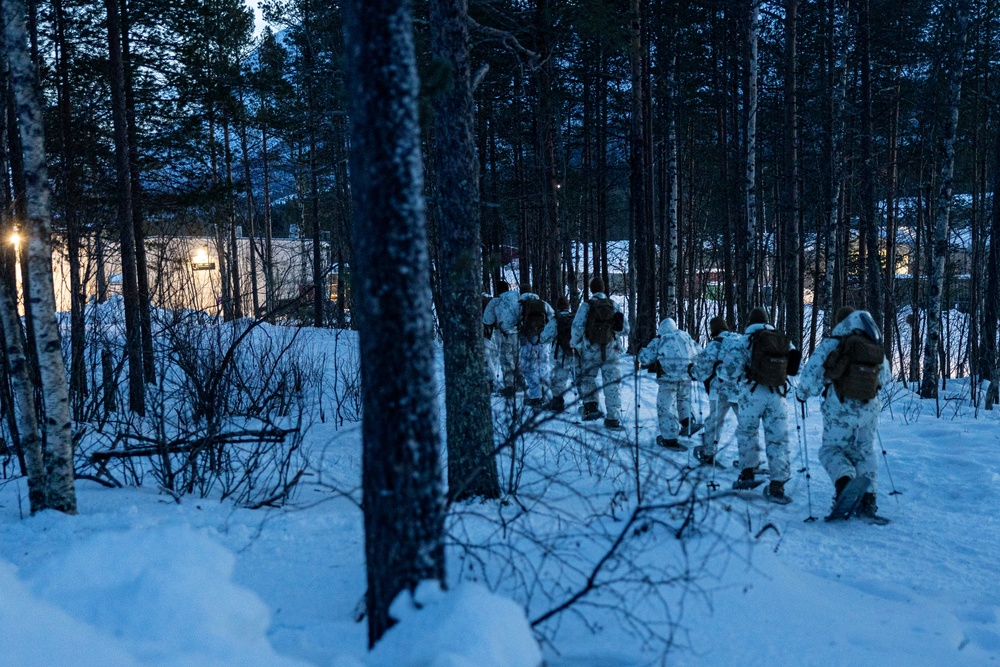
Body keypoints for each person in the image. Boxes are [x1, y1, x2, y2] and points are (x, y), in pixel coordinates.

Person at [795, 308, 891, 523]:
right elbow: (886, 378)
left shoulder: (833, 344)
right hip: (869, 408)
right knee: (865, 451)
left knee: (831, 450)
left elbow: (810, 376)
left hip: (840, 407)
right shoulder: (873, 346)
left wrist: (802, 394)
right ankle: (869, 500)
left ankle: (845, 482)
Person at [718, 307, 798, 504]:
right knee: (778, 438)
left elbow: (729, 372)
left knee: (747, 432)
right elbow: (795, 365)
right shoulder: (781, 339)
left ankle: (747, 472)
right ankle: (777, 484)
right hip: (777, 394)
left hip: (751, 394)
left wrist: (719, 371)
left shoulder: (744, 341)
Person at [571, 276, 629, 430]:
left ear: (591, 290)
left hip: (590, 349)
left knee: (588, 376)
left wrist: (575, 344)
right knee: (612, 382)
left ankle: (591, 407)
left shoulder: (586, 306)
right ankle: (613, 419)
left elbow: (577, 328)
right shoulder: (614, 305)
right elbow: (625, 329)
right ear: (604, 289)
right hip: (611, 350)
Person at [638, 317, 700, 451]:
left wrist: (640, 351)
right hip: (686, 376)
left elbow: (645, 358)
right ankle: (688, 422)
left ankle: (670, 438)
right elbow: (699, 352)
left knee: (665, 406)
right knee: (683, 399)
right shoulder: (686, 336)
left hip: (668, 378)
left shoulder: (660, 339)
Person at [690, 316, 738, 466]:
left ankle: (708, 452)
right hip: (740, 389)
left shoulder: (714, 345)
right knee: (747, 425)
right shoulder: (740, 340)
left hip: (719, 391)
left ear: (713, 331)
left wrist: (691, 371)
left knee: (714, 421)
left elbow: (702, 370)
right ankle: (750, 461)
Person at [518, 286, 556, 407]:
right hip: (542, 340)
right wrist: (546, 335)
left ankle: (535, 397)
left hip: (527, 340)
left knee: (530, 367)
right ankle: (546, 393)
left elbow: (511, 321)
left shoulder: (520, 305)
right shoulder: (543, 304)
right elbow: (553, 319)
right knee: (544, 365)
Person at [483, 281, 521, 397]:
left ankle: (510, 386)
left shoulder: (496, 301)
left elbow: (487, 319)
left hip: (504, 334)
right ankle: (521, 382)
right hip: (518, 332)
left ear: (497, 289)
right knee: (517, 358)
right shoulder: (517, 296)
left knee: (507, 360)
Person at [542, 296, 574, 412]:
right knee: (583, 380)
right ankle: (589, 405)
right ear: (568, 306)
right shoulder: (575, 318)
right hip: (576, 354)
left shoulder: (556, 320)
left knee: (559, 380)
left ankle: (557, 404)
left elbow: (544, 338)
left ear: (558, 306)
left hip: (561, 355)